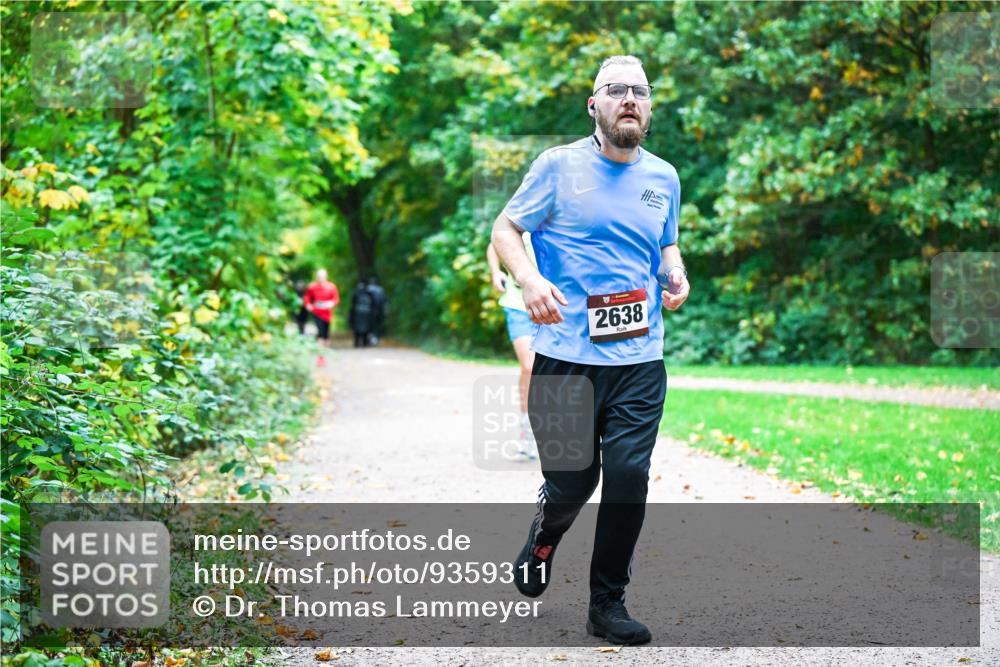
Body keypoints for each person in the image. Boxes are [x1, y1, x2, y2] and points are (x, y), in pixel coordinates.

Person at [491, 55, 690, 645]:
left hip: (638, 361)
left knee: (628, 476)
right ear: (594, 105)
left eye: (640, 90)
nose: (629, 98)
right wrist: (528, 278)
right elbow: (505, 229)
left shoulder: (664, 178)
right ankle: (544, 536)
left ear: (649, 106)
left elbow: (667, 245)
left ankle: (608, 603)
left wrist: (676, 275)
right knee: (573, 484)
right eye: (616, 90)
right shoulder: (557, 167)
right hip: (563, 360)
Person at [487, 237, 538, 460]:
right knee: (529, 366)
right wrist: (495, 271)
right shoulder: (522, 215)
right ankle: (527, 431)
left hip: (552, 300)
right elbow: (495, 242)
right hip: (518, 303)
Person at [303, 269, 339, 361]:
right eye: (319, 277)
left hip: (327, 314)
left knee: (326, 334)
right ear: (316, 277)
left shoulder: (331, 286)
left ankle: (325, 353)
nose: (321, 278)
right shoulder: (312, 287)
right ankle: (320, 356)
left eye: (322, 276)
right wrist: (308, 305)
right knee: (320, 333)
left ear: (326, 276)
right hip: (317, 312)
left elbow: (336, 299)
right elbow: (307, 297)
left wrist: (331, 303)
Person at [348, 279, 375, 348]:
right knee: (364, 329)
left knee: (358, 329)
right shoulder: (369, 294)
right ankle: (363, 342)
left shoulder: (357, 293)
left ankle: (358, 342)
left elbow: (352, 304)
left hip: (359, 313)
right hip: (365, 313)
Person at [365, 276, 387, 346]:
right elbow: (384, 301)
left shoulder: (367, 289)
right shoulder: (380, 290)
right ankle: (376, 339)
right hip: (378, 311)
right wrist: (385, 309)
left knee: (369, 326)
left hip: (369, 312)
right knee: (377, 325)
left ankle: (370, 339)